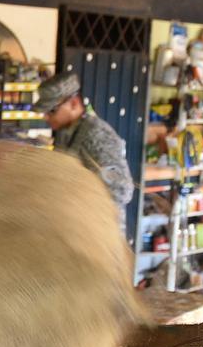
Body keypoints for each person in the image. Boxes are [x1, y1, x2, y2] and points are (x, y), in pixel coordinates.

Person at [35, 72, 135, 236]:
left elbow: (123, 190)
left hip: (101, 238)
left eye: (51, 110)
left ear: (74, 103)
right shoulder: (66, 133)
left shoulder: (96, 134)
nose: (46, 117)